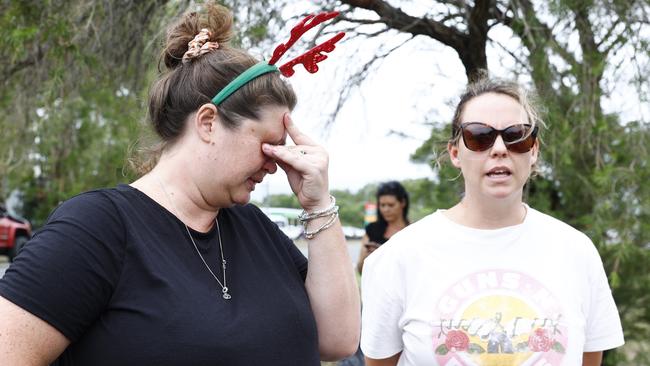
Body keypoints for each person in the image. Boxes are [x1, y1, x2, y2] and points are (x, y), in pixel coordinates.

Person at [0, 3, 360, 365]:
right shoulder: (96, 227)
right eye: (268, 143)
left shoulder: (255, 228)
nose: (277, 162)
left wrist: (318, 205)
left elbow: (338, 341)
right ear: (207, 122)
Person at [360, 77, 624, 366]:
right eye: (479, 136)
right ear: (455, 153)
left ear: (533, 150)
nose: (499, 148)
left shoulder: (577, 251)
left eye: (517, 135)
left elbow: (590, 358)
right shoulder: (399, 256)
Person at [356, 181, 410, 274]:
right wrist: (366, 255)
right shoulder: (372, 229)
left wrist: (383, 254)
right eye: (382, 205)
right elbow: (360, 269)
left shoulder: (412, 231)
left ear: (403, 203)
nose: (386, 209)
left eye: (391, 205)